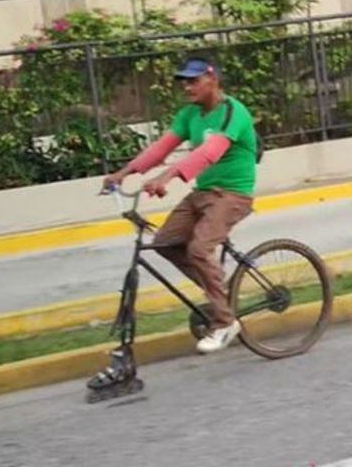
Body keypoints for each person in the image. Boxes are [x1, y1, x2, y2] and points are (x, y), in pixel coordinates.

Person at [102, 57, 259, 354]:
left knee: (199, 249)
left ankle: (225, 321)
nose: (187, 87)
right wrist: (123, 174)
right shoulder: (190, 115)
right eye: (184, 82)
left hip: (232, 194)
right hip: (202, 193)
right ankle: (219, 296)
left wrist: (169, 175)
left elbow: (210, 152)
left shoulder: (231, 111)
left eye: (193, 80)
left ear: (212, 78)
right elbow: (161, 148)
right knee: (166, 242)